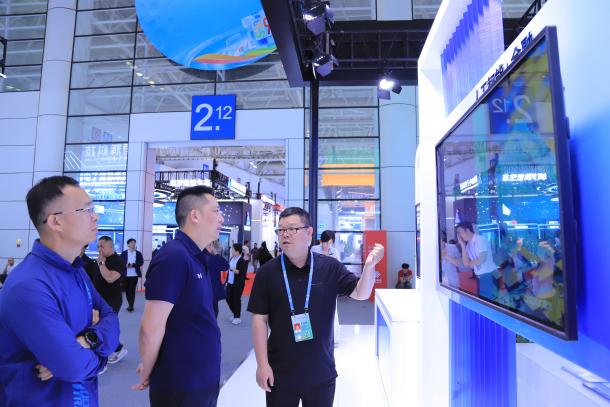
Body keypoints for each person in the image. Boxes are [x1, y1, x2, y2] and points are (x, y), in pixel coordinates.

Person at [0, 176, 119, 406]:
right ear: (56, 222)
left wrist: (86, 340)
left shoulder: (77, 271)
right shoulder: (29, 286)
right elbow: (73, 366)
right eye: (86, 210)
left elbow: (111, 319)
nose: (95, 216)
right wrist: (99, 359)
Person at [248, 207, 384, 407]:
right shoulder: (267, 272)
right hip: (280, 372)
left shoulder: (329, 267)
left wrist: (369, 268)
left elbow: (360, 293)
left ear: (309, 232)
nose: (285, 234)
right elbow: (259, 319)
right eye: (281, 229)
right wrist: (262, 364)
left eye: (292, 228)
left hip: (321, 371)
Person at [134, 185, 224, 407]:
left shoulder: (198, 257)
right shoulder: (174, 257)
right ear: (195, 215)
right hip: (181, 385)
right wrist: (148, 366)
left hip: (203, 379)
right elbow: (151, 326)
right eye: (216, 211)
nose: (221, 218)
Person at [96, 235, 129, 364]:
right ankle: (106, 349)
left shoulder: (118, 261)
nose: (99, 249)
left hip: (112, 299)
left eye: (102, 246)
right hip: (99, 299)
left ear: (111, 247)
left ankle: (118, 349)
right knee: (98, 325)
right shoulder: (99, 261)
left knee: (107, 325)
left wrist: (101, 263)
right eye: (98, 246)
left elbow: (110, 278)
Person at [456, 221, 499, 300]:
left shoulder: (480, 239)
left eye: (460, 232)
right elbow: (466, 264)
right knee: (483, 301)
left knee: (490, 302)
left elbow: (481, 259)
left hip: (488, 276)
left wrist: (470, 263)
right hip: (480, 277)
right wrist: (462, 246)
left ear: (467, 230)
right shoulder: (468, 245)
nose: (459, 236)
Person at [205, 241, 230, 318]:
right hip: (215, 289)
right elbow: (226, 268)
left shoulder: (201, 258)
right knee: (214, 310)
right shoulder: (218, 259)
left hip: (202, 290)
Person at [226, 243, 248, 325]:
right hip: (230, 282)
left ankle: (237, 317)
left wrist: (231, 269)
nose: (231, 251)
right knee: (228, 298)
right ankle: (235, 313)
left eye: (233, 249)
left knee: (236, 299)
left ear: (237, 251)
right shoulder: (232, 258)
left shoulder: (242, 260)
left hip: (238, 284)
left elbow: (241, 272)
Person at [121, 238, 144, 312]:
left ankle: (131, 305)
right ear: (128, 244)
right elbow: (120, 262)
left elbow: (141, 262)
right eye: (131, 243)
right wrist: (125, 265)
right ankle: (129, 303)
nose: (133, 244)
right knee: (127, 291)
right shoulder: (124, 253)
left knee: (132, 290)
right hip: (126, 275)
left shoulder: (138, 253)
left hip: (134, 275)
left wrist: (133, 265)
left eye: (134, 243)